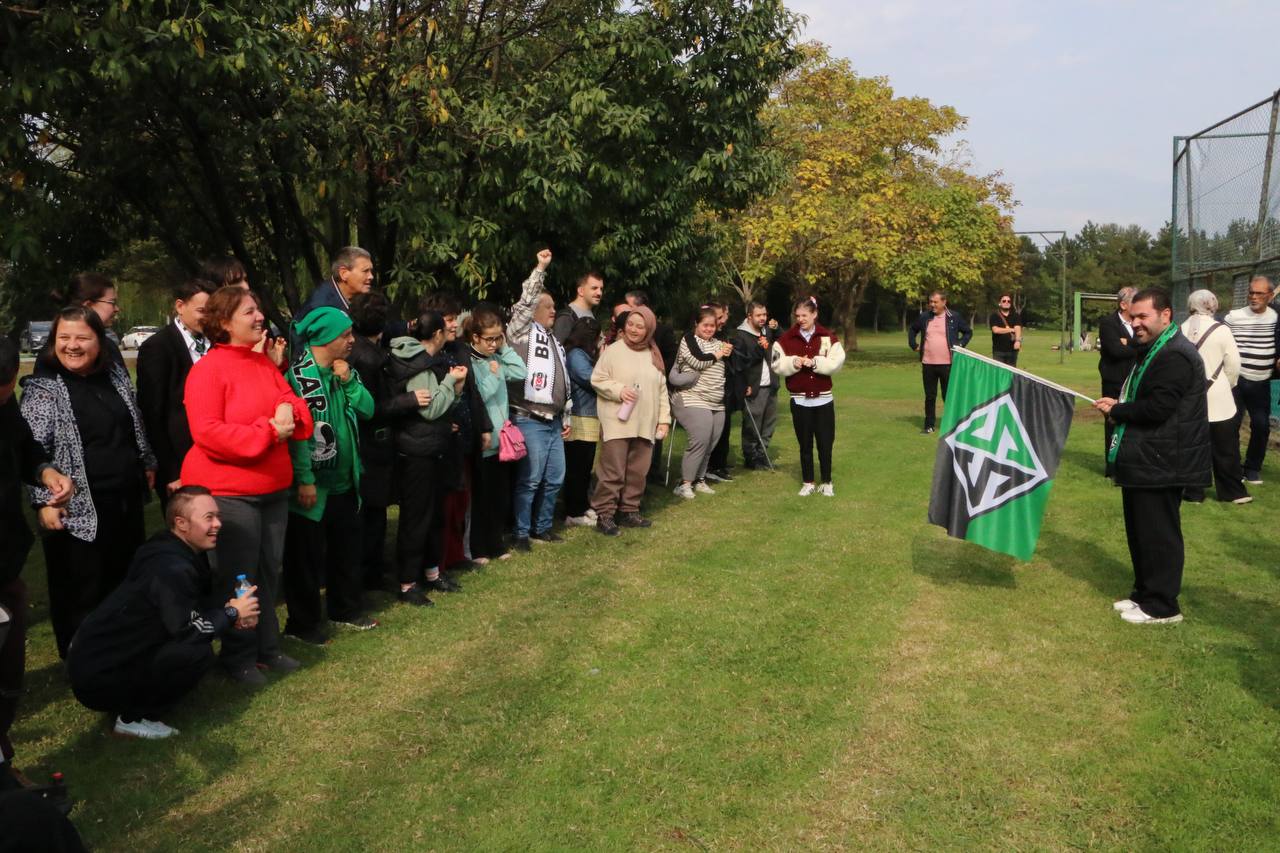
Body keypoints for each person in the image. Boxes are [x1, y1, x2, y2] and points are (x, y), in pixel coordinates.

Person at [182, 286, 313, 685]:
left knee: (269, 572)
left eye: (258, 310)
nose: (260, 317)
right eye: (250, 312)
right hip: (229, 493)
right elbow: (207, 432)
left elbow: (296, 406)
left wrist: (287, 409)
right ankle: (238, 657)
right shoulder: (208, 370)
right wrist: (267, 431)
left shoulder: (262, 364)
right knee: (238, 578)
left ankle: (267, 648)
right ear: (224, 322)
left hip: (272, 490)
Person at [66, 486, 261, 739]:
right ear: (181, 523)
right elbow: (189, 631)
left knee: (190, 646)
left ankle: (133, 698)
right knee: (196, 653)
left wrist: (230, 612)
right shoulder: (171, 568)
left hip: (96, 662)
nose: (218, 524)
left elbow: (191, 607)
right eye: (209, 518)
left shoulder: (170, 548)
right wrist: (232, 614)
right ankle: (133, 718)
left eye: (218, 516)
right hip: (98, 676)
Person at [20, 307, 156, 659]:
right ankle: (83, 660)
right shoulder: (43, 388)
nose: (72, 345)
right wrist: (43, 502)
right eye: (63, 338)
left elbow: (134, 423)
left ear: (100, 342)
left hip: (123, 500)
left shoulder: (113, 375)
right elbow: (30, 451)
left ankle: (121, 653)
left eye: (82, 337)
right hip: (75, 511)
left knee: (123, 580)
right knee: (81, 592)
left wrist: (146, 462)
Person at [1094, 288, 1210, 625]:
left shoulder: (1175, 355)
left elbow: (1158, 408)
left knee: (1159, 534)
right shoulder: (1154, 349)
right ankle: (1144, 595)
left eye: (1143, 316)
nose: (1136, 323)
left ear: (1166, 315)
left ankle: (1163, 606)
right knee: (1141, 531)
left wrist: (1118, 410)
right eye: (1133, 317)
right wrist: (1119, 405)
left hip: (1164, 461)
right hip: (1147, 456)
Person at [0, 338, 74, 780]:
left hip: (6, 558)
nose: (4, 397)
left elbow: (24, 446)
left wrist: (46, 471)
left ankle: (3, 754)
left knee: (9, 668)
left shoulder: (6, 403)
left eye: (6, 388)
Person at [283, 308, 376, 642]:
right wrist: (305, 479)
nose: (352, 340)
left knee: (346, 550)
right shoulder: (298, 378)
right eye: (345, 335)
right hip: (313, 487)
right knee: (305, 559)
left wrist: (349, 381)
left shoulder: (344, 371)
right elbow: (298, 436)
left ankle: (345, 609)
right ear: (324, 338)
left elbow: (368, 409)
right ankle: (303, 624)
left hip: (346, 481)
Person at [387, 310, 468, 603]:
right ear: (436, 334)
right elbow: (430, 409)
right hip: (416, 452)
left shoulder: (424, 360)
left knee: (434, 515)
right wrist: (449, 382)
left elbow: (438, 404)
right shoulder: (417, 364)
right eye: (445, 328)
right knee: (416, 518)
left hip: (431, 447)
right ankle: (408, 583)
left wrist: (454, 389)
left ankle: (432, 572)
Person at [348, 292, 424, 589]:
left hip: (370, 444)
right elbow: (372, 408)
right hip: (373, 443)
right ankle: (369, 574)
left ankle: (372, 570)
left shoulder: (362, 349)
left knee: (373, 513)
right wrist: (407, 400)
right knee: (372, 513)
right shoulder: (368, 358)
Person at [419, 291, 492, 572]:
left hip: (465, 436)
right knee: (443, 503)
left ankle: (458, 554)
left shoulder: (459, 350)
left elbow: (472, 391)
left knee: (462, 499)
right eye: (449, 320)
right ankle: (438, 560)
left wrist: (484, 426)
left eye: (454, 319)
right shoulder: (425, 355)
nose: (454, 325)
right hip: (440, 439)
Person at [506, 249, 572, 550]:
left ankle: (542, 527)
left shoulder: (554, 341)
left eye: (554, 306)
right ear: (533, 310)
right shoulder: (520, 333)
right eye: (548, 306)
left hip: (553, 421)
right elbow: (525, 302)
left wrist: (566, 415)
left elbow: (563, 381)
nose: (553, 311)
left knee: (555, 478)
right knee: (530, 479)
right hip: (529, 418)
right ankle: (521, 532)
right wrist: (540, 268)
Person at [590, 306, 671, 535]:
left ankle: (629, 510)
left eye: (640, 326)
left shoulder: (653, 354)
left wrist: (663, 419)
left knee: (638, 471)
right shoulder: (613, 351)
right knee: (612, 471)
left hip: (645, 422)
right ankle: (605, 514)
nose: (634, 330)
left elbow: (662, 390)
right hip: (617, 422)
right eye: (630, 324)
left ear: (649, 329)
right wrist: (619, 390)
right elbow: (597, 379)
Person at [136, 278, 218, 505]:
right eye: (202, 311)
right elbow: (152, 415)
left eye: (213, 311)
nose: (208, 318)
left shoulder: (217, 342)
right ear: (180, 306)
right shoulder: (158, 347)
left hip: (216, 457)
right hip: (179, 462)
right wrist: (171, 471)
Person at [466, 303, 526, 563]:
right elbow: (477, 395)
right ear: (475, 337)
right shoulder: (470, 361)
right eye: (489, 339)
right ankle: (479, 547)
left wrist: (504, 348)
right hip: (484, 437)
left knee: (500, 495)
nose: (493, 344)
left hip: (503, 441)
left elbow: (521, 371)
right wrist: (493, 376)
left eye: (497, 338)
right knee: (482, 496)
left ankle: (496, 543)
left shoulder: (497, 357)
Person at [772, 296, 846, 495]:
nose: (801, 319)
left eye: (805, 315)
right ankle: (808, 482)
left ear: (815, 314)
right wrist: (793, 362)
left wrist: (815, 363)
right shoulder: (786, 339)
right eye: (798, 316)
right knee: (805, 444)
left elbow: (837, 362)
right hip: (799, 400)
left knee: (825, 443)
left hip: (824, 399)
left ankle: (827, 482)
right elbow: (776, 362)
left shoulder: (828, 337)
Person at [1182, 290, 1250, 504]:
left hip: (1189, 399)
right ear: (1213, 305)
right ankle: (1233, 492)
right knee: (1226, 448)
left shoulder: (1180, 329)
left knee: (1193, 448)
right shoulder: (1222, 330)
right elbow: (1234, 364)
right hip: (1219, 397)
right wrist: (1226, 385)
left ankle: (1193, 492)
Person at [670, 305, 732, 499]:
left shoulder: (720, 343)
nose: (709, 329)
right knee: (700, 440)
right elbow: (698, 360)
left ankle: (700, 479)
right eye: (705, 325)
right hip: (692, 397)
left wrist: (728, 352)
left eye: (712, 326)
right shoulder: (689, 339)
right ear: (696, 324)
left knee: (710, 442)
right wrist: (720, 354)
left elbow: (729, 366)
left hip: (716, 401)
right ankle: (684, 484)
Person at [1224, 275, 1278, 484]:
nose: (1254, 297)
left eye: (1259, 293)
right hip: (1235, 380)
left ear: (1270, 296)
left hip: (1261, 381)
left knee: (1261, 426)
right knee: (1231, 425)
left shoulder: (1276, 318)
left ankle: (1252, 468)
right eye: (1251, 292)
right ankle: (1232, 468)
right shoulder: (1233, 317)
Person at [908, 289, 973, 434]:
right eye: (931, 302)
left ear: (944, 302)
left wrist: (960, 344)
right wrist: (913, 344)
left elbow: (968, 332)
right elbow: (912, 329)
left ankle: (953, 425)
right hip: (928, 363)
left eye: (935, 302)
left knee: (948, 395)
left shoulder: (953, 317)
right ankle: (929, 426)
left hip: (947, 363)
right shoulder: (924, 317)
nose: (932, 305)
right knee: (930, 396)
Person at [562, 316, 602, 527]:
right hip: (579, 417)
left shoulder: (580, 355)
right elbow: (590, 379)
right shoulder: (576, 355)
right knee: (577, 468)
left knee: (584, 466)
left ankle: (581, 505)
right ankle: (573, 511)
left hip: (587, 416)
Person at [730, 300, 778, 470]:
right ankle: (751, 457)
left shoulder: (767, 331)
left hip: (771, 384)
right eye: (758, 315)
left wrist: (777, 329)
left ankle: (762, 455)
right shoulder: (740, 335)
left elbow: (782, 341)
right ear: (749, 316)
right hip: (754, 387)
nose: (762, 318)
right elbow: (741, 363)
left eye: (764, 314)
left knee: (769, 424)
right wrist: (760, 348)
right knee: (752, 425)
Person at [1098, 286, 1139, 465]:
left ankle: (1129, 461)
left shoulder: (1138, 323)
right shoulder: (1108, 323)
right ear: (1123, 305)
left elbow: (1150, 344)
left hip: (1135, 380)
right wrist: (1139, 347)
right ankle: (1112, 466)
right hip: (1114, 381)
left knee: (1133, 421)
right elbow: (1116, 351)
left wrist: (1128, 342)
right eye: (1135, 302)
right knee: (1113, 421)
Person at [50, 272, 124, 365]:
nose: (117, 309)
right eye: (112, 302)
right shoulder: (57, 356)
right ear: (88, 306)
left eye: (82, 338)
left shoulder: (109, 346)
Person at [705, 301, 736, 482]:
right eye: (719, 317)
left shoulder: (724, 335)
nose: (722, 321)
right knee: (708, 431)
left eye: (723, 316)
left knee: (724, 428)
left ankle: (718, 465)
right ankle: (709, 466)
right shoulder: (698, 337)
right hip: (707, 390)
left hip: (725, 389)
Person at [552, 271, 604, 343]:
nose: (599, 293)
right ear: (581, 291)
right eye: (594, 288)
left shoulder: (591, 316)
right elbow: (557, 348)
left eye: (601, 289)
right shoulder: (567, 317)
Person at [988, 293, 1022, 366]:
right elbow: (996, 330)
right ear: (1000, 303)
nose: (1006, 302)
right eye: (1004, 301)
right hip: (998, 351)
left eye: (1008, 301)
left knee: (1011, 371)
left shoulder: (1015, 315)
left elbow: (1018, 328)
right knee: (998, 371)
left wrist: (1018, 341)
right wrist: (1011, 329)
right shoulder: (994, 316)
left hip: (1012, 350)